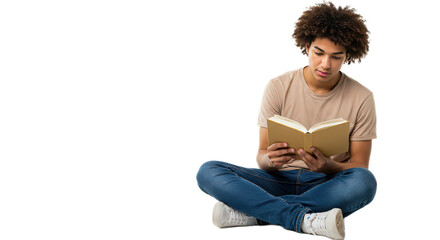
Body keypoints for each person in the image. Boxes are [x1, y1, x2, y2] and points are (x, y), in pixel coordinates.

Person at [196, 2, 377, 239]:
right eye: (318, 53)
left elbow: (360, 166)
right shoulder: (278, 86)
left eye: (336, 57)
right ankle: (303, 218)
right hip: (276, 179)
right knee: (209, 171)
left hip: (326, 184)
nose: (325, 64)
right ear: (306, 46)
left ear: (348, 56)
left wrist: (328, 167)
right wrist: (271, 160)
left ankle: (256, 214)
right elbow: (261, 156)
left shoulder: (362, 97)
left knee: (365, 182)